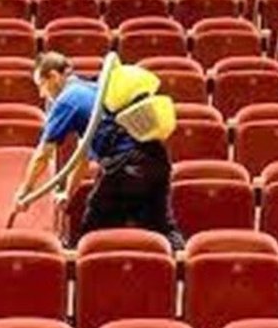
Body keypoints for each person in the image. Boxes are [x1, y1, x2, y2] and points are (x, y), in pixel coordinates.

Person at [14, 51, 184, 250]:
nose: (42, 94)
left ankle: (86, 265)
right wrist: (68, 193)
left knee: (93, 231)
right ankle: (182, 261)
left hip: (126, 166)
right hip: (156, 159)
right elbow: (82, 157)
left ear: (53, 76)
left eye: (41, 85)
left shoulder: (67, 100)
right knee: (162, 227)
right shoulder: (93, 89)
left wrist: (24, 192)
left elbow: (43, 155)